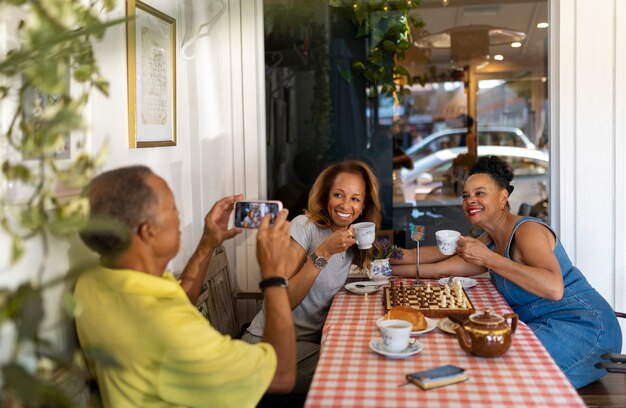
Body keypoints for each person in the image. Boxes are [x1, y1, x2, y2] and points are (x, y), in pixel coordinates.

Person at [391, 156, 622, 388]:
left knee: (491, 369)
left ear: (503, 196)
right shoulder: (490, 240)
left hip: (585, 329)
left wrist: (489, 258)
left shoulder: (527, 230)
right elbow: (441, 268)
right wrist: (388, 260)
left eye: (480, 193)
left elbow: (554, 287)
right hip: (541, 325)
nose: (470, 200)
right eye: (466, 195)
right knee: (476, 353)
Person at [74, 165, 296, 407]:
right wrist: (274, 275)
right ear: (149, 232)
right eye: (172, 208)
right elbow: (281, 376)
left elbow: (179, 299)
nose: (179, 215)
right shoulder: (170, 328)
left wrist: (207, 244)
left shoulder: (93, 281)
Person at [242, 159, 382, 396]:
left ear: (363, 206)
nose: (345, 205)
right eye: (338, 194)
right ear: (326, 196)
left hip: (307, 345)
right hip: (268, 346)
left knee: (361, 361)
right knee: (344, 383)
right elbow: (282, 302)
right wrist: (324, 252)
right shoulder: (304, 227)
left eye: (354, 199)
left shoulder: (351, 237)